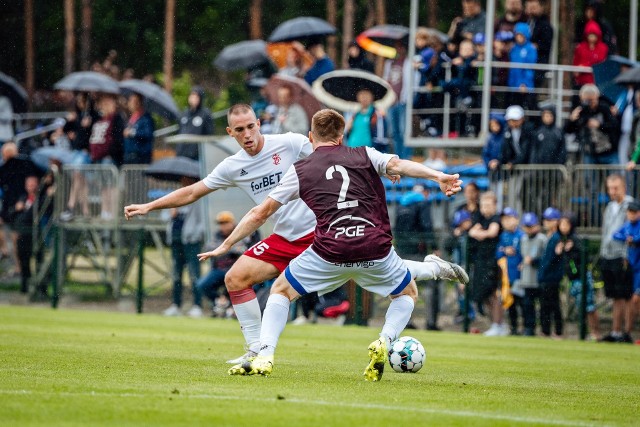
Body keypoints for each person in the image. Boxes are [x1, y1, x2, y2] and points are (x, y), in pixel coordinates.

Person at [124, 104, 455, 365]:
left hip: (321, 233)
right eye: (239, 130)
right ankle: (256, 350)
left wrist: (378, 172)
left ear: (259, 124)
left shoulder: (293, 143)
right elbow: (194, 192)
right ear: (231, 132)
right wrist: (150, 207)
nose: (248, 133)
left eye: (252, 126)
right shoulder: (232, 166)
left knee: (337, 275)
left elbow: (335, 165)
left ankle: (431, 269)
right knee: (236, 278)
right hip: (284, 237)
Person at [195, 211, 261, 317]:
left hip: (236, 270)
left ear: (232, 223)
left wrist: (223, 249)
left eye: (225, 223)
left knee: (248, 285)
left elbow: (243, 249)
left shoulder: (240, 232)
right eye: (221, 223)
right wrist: (230, 250)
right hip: (219, 270)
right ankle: (220, 303)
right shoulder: (217, 235)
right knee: (202, 285)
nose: (223, 226)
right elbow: (209, 247)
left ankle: (230, 307)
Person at [599, 174, 634, 342]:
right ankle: (615, 331)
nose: (612, 192)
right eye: (609, 188)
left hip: (623, 256)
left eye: (615, 188)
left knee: (626, 295)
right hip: (608, 255)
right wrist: (602, 253)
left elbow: (631, 232)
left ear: (623, 187)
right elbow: (605, 232)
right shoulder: (609, 207)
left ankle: (626, 332)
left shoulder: (630, 206)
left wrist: (627, 255)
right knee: (615, 295)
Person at [468, 191, 505, 336]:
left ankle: (498, 325)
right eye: (483, 205)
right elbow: (471, 232)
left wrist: (480, 234)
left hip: (493, 262)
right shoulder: (480, 218)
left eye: (488, 205)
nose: (485, 208)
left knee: (493, 294)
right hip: (481, 261)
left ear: (495, 206)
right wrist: (479, 233)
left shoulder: (496, 218)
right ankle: (497, 325)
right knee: (484, 295)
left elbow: (492, 232)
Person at [559, 212, 601, 341]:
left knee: (589, 307)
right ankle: (586, 333)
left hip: (581, 278)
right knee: (582, 308)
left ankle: (596, 333)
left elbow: (583, 256)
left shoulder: (575, 240)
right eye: (561, 224)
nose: (563, 226)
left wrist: (572, 249)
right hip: (574, 279)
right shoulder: (563, 240)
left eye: (566, 224)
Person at [60, 92, 98, 221]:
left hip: (84, 152)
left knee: (77, 176)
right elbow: (66, 130)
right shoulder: (77, 116)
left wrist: (88, 126)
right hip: (76, 151)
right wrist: (70, 122)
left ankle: (70, 205)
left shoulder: (93, 116)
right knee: (81, 182)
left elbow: (91, 135)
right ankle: (86, 211)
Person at [89, 94, 124, 221]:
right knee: (104, 186)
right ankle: (105, 211)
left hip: (111, 158)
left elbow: (118, 140)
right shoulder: (99, 119)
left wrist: (111, 152)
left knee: (112, 186)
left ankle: (113, 212)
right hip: (100, 157)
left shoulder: (117, 118)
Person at [612, 200, 640, 343]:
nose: (631, 215)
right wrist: (627, 238)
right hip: (631, 268)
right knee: (630, 300)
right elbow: (615, 235)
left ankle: (629, 331)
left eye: (634, 212)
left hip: (639, 269)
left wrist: (634, 239)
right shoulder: (628, 225)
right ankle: (627, 333)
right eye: (630, 212)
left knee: (635, 300)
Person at [7, 176, 39, 295]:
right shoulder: (22, 198)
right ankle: (24, 286)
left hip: (33, 233)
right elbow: (11, 213)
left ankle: (38, 288)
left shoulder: (40, 198)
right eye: (28, 184)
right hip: (21, 233)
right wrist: (16, 208)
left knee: (36, 260)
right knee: (23, 260)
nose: (30, 186)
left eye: (33, 184)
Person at [496, 207, 525, 335]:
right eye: (504, 219)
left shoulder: (522, 235)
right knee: (510, 303)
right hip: (506, 276)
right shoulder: (503, 236)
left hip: (520, 276)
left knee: (523, 303)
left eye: (509, 218)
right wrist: (504, 251)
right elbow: (497, 253)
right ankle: (513, 328)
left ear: (516, 219)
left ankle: (526, 327)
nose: (506, 222)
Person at [537, 207, 564, 338]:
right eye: (545, 219)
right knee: (545, 305)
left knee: (553, 305)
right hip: (545, 276)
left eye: (550, 220)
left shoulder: (557, 238)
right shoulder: (547, 237)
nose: (546, 222)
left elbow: (552, 259)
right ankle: (545, 330)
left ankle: (557, 331)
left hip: (552, 277)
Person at [518, 212, 547, 336]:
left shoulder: (542, 239)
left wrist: (534, 261)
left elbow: (546, 259)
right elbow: (522, 256)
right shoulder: (523, 239)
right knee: (527, 305)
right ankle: (529, 328)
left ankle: (544, 330)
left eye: (531, 226)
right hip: (526, 278)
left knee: (543, 306)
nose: (529, 229)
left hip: (538, 278)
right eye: (526, 226)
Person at [383, 40, 411, 159]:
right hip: (391, 102)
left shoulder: (408, 63)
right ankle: (397, 158)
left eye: (400, 47)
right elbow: (386, 80)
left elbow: (409, 83)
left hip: (403, 102)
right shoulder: (389, 63)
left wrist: (405, 98)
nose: (398, 50)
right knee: (393, 132)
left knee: (404, 131)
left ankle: (406, 158)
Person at [344, 88, 388, 152]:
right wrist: (348, 129)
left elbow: (381, 139)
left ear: (372, 97)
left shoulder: (377, 114)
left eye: (366, 95)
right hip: (352, 152)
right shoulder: (354, 115)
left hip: (368, 154)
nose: (364, 98)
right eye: (361, 95)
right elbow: (347, 134)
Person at [176, 86, 214, 160]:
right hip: (182, 153)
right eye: (192, 95)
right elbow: (179, 130)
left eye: (196, 96)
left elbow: (209, 133)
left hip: (198, 155)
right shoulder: (184, 113)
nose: (194, 98)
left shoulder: (205, 114)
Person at [507, 23, 537, 111]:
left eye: (521, 34)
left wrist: (525, 83)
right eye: (517, 34)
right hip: (513, 84)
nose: (518, 37)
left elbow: (530, 68)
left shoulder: (530, 48)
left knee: (528, 108)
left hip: (524, 85)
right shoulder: (514, 48)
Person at [524, 0, 553, 87]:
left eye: (534, 8)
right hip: (525, 64)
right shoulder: (526, 22)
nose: (531, 10)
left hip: (538, 64)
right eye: (529, 8)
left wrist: (534, 46)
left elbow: (546, 45)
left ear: (541, 8)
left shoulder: (545, 25)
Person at [572, 20, 608, 88]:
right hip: (582, 81)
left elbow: (600, 62)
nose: (591, 37)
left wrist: (583, 67)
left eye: (593, 35)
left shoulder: (603, 48)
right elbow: (576, 62)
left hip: (596, 81)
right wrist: (577, 69)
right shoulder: (580, 47)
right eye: (590, 34)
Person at [123, 92, 155, 165]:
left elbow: (148, 134)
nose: (129, 103)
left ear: (138, 103)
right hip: (129, 155)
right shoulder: (130, 118)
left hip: (141, 156)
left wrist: (132, 133)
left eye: (132, 101)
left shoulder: (146, 118)